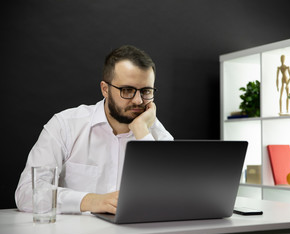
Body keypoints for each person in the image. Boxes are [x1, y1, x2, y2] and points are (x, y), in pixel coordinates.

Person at [15, 45, 174, 214]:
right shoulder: (65, 125)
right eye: (127, 90)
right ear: (105, 89)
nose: (138, 101)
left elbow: (174, 196)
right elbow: (26, 193)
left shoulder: (157, 135)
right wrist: (92, 201)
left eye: (146, 91)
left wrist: (141, 129)